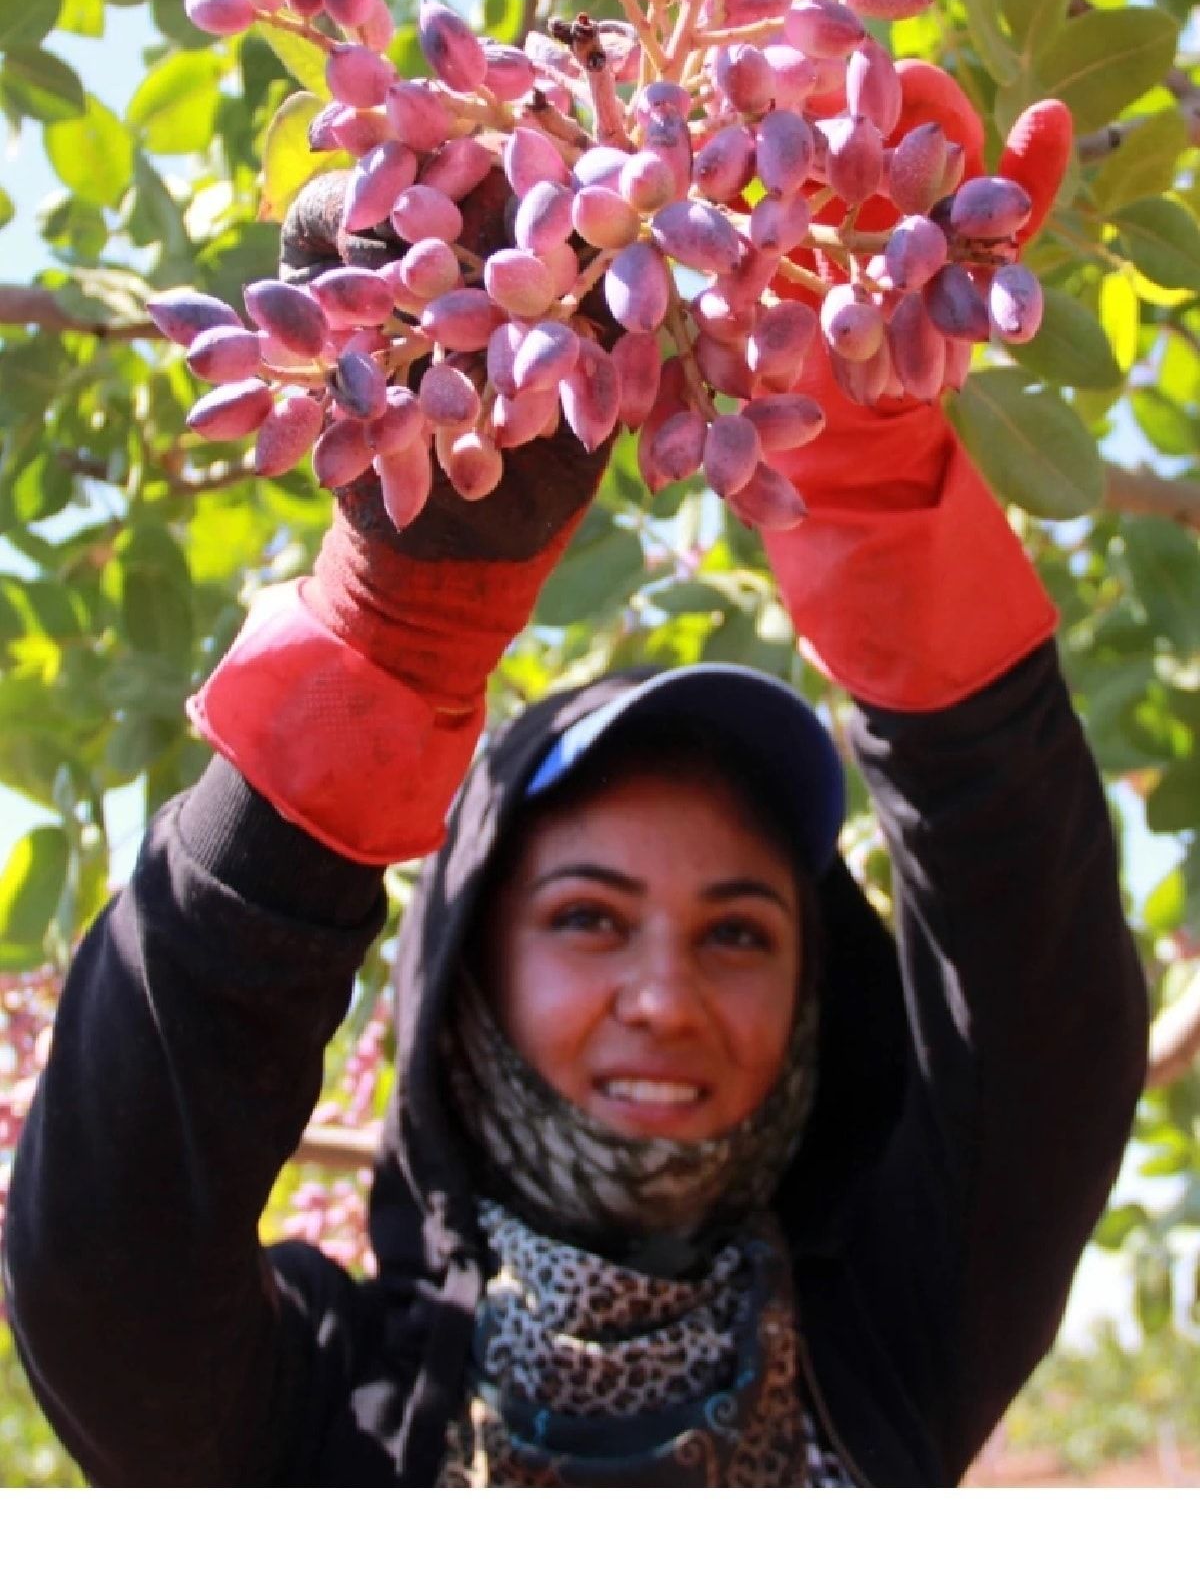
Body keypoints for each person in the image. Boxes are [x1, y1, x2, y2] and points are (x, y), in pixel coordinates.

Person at [2, 96, 1147, 1488]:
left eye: (738, 931)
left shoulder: (891, 1331)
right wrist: (388, 641)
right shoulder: (327, 1417)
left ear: (810, 1001)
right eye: (591, 919)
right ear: (471, 968)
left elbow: (1048, 1026)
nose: (665, 995)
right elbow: (102, 1268)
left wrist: (878, 490)